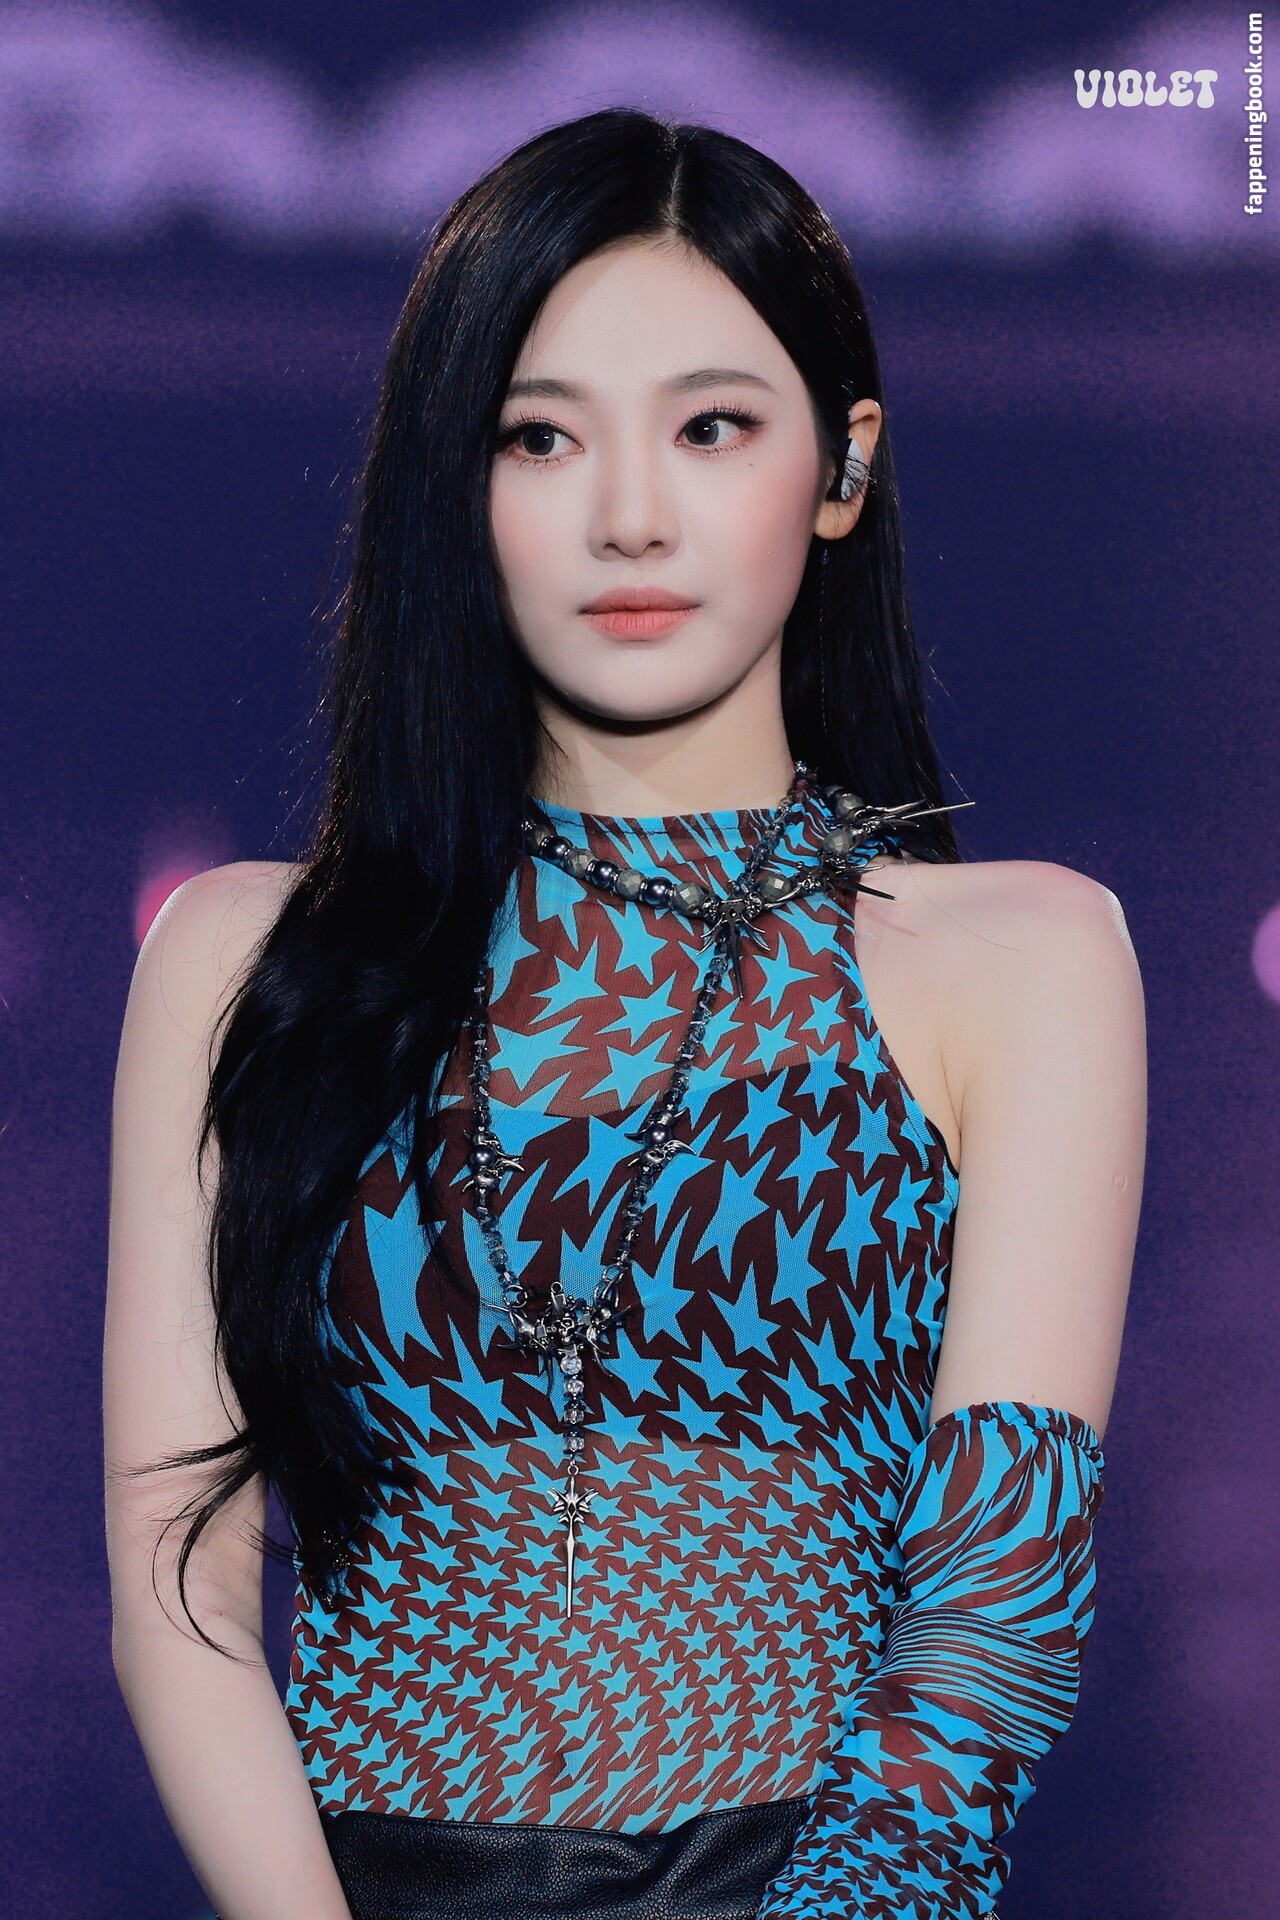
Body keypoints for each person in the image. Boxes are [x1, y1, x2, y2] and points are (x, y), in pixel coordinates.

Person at [104, 108, 1146, 1920]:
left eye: (711, 426)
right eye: (540, 435)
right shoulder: (245, 957)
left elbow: (994, 1614)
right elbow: (175, 1579)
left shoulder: (1024, 958)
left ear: (843, 467)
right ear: (458, 485)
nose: (631, 514)